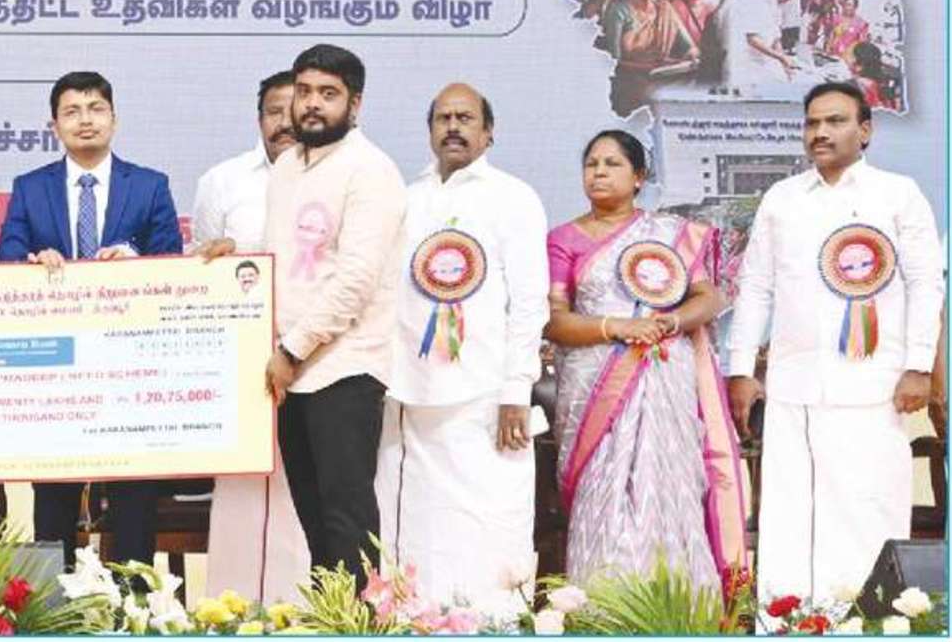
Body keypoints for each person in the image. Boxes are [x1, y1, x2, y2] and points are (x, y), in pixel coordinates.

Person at [726, 83, 941, 602]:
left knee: (868, 504)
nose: (820, 132)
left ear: (865, 130)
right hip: (794, 387)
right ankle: (788, 620)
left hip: (876, 386)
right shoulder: (782, 199)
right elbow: (756, 286)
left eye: (835, 121)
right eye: (812, 123)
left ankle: (873, 621)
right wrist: (740, 369)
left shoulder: (898, 194)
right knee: (790, 512)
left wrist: (918, 366)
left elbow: (925, 283)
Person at [543, 130, 746, 593]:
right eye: (591, 164)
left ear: (639, 177)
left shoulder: (671, 235)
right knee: (602, 494)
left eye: (612, 163)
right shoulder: (564, 239)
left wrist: (669, 322)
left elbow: (709, 298)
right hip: (594, 389)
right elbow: (555, 321)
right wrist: (617, 327)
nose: (598, 172)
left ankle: (679, 604)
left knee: (669, 488)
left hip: (664, 372)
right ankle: (602, 608)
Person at [0, 71, 183, 567]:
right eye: (72, 111)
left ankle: (136, 599)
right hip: (57, 371)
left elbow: (173, 265)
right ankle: (55, 599)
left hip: (130, 368)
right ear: (54, 125)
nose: (85, 120)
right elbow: (8, 257)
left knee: (134, 496)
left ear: (114, 119)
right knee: (53, 497)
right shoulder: (30, 188)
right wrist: (32, 264)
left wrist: (134, 259)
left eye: (96, 109)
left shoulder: (149, 185)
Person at [372, 84, 548, 611]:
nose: (453, 127)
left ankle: (492, 620)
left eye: (465, 118)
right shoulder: (407, 199)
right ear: (429, 131)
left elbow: (529, 300)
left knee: (489, 516)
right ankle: (417, 619)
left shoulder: (514, 197)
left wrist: (517, 389)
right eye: (443, 118)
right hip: (409, 393)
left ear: (488, 132)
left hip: (488, 394)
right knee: (415, 522)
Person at [262, 44, 405, 586]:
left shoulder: (371, 170)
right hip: (291, 373)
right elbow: (286, 264)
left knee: (347, 518)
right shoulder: (286, 167)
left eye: (328, 94)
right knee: (314, 518)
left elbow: (355, 281)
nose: (312, 105)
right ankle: (331, 616)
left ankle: (360, 621)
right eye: (304, 92)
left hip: (344, 368)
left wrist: (292, 349)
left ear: (355, 104)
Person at [189, 69, 310, 602]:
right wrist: (214, 259)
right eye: (272, 112)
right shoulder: (223, 180)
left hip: (313, 357)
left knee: (305, 491)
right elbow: (199, 267)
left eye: (292, 110)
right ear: (258, 119)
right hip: (240, 366)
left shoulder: (334, 180)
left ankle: (307, 612)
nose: (283, 122)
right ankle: (232, 611)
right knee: (241, 496)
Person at [602, 0, 697, 114]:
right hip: (630, 81)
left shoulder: (665, 8)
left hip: (663, 75)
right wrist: (649, 69)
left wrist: (694, 58)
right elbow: (613, 62)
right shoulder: (619, 11)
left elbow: (688, 46)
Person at [718, 0, 805, 90]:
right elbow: (753, 39)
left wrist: (784, 64)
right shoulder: (754, 0)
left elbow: (776, 40)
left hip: (762, 64)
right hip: (745, 68)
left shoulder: (777, 8)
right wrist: (781, 57)